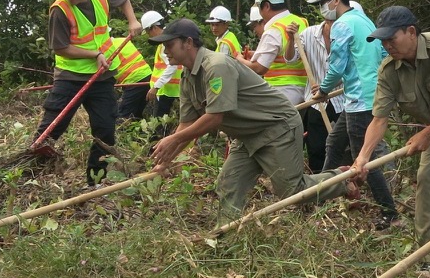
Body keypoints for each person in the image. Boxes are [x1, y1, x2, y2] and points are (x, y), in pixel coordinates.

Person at [150, 19, 352, 217]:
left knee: (291, 191)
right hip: (248, 135)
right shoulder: (187, 78)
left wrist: (173, 140)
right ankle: (225, 235)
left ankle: (344, 180)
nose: (165, 51)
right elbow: (186, 124)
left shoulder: (216, 66)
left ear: (188, 43)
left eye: (169, 45)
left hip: (277, 127)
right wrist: (165, 159)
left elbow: (214, 118)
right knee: (228, 184)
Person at [354, 6, 430, 245]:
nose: (387, 46)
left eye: (391, 39)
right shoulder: (389, 70)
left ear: (411, 31)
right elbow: (379, 119)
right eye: (383, 41)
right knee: (428, 181)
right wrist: (363, 157)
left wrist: (427, 133)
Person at [34, 0, 142, 183]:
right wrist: (95, 54)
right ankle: (29, 170)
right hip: (70, 78)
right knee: (52, 128)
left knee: (105, 131)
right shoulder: (59, 11)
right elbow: (61, 48)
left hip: (101, 78)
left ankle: (95, 183)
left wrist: (133, 21)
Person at [309, 0, 400, 231]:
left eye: (323, 3)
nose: (321, 9)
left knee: (364, 159)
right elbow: (382, 56)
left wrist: (324, 90)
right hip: (365, 95)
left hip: (360, 99)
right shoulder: (364, 20)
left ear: (335, 1)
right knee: (334, 143)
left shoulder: (342, 25)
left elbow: (337, 65)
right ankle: (320, 195)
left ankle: (389, 213)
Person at [244, 0, 308, 105]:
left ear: (266, 6)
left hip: (282, 90)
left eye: (259, 6)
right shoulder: (301, 21)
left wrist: (238, 59)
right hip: (305, 88)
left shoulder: (274, 30)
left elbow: (259, 68)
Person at [297, 14, 344, 171]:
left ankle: (350, 180)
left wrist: (326, 86)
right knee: (316, 146)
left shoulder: (348, 35)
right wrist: (291, 39)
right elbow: (291, 58)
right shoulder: (309, 34)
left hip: (343, 99)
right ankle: (319, 184)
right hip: (316, 102)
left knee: (349, 143)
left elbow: (354, 70)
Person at [143, 11, 182, 123]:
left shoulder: (164, 43)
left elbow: (172, 66)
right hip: (170, 90)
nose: (148, 34)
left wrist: (156, 87)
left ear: (154, 28)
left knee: (159, 124)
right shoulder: (168, 40)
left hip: (165, 90)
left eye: (147, 31)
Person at [111, 38, 153, 123]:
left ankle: (121, 134)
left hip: (134, 80)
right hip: (147, 76)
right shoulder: (122, 40)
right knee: (137, 113)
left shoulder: (108, 47)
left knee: (123, 115)